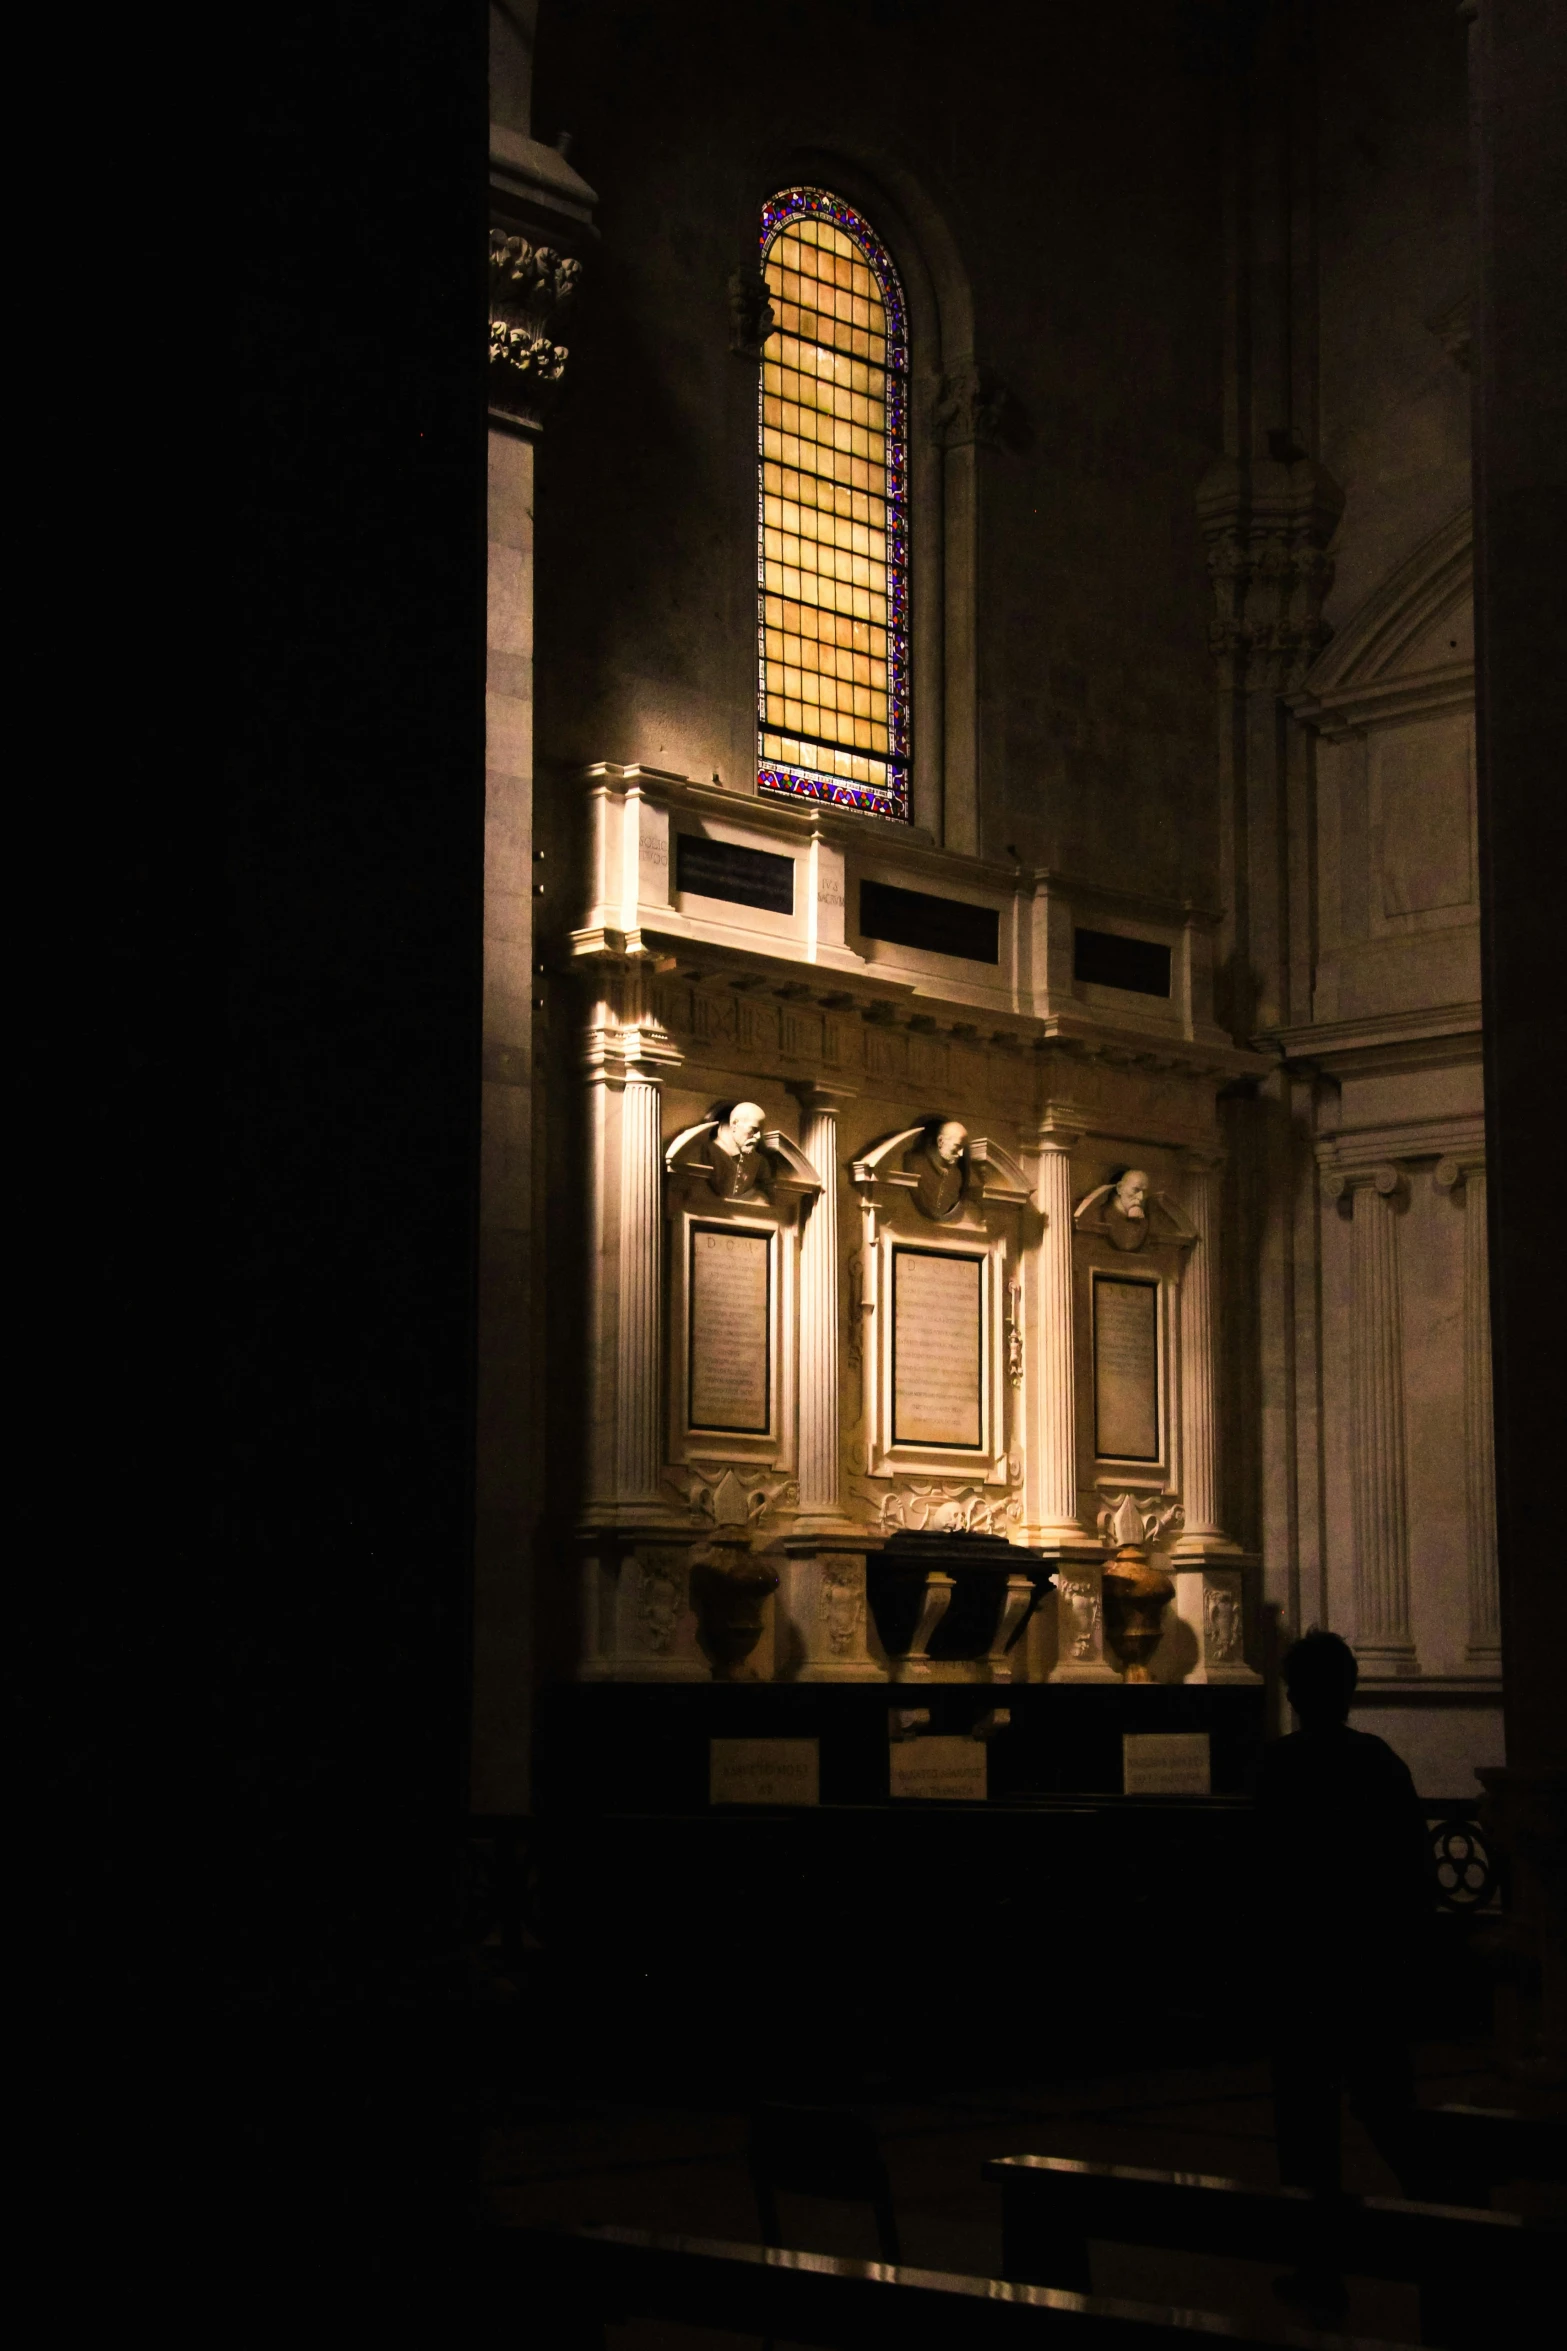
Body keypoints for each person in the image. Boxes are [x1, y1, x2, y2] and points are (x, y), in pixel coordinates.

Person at [1257, 1629, 1431, 2317]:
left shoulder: (1277, 1767)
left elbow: (1262, 1873)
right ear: (1349, 1689)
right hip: (1367, 1968)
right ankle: (1453, 2231)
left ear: (1293, 1693)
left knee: (1304, 2130)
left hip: (1303, 1970)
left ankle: (1316, 2265)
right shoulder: (1378, 1763)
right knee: (1390, 2111)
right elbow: (1412, 1871)